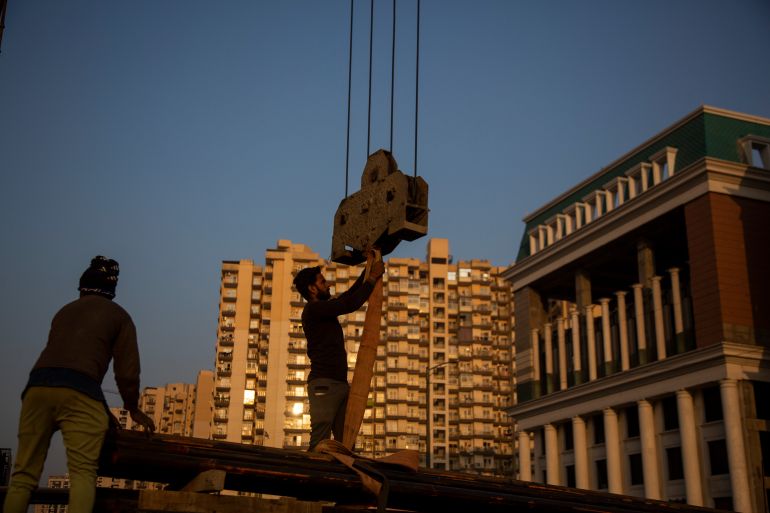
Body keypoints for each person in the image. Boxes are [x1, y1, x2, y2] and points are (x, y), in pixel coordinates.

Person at [3, 256, 156, 513]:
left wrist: (102, 410)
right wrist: (132, 408)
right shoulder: (120, 317)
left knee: (23, 476)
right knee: (83, 474)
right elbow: (126, 373)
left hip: (37, 388)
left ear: (82, 288)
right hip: (80, 393)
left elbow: (66, 368)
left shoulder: (63, 312)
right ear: (111, 290)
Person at [293, 249, 384, 450]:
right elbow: (349, 303)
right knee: (320, 441)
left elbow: (349, 295)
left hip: (339, 385)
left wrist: (369, 271)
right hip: (324, 385)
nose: (329, 285)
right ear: (312, 289)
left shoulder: (323, 310)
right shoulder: (313, 310)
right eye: (323, 282)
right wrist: (372, 279)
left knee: (345, 443)